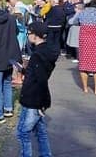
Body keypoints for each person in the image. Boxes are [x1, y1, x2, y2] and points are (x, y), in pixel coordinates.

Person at [17, 21, 56, 157]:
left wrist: (42, 103)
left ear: (35, 36)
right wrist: (25, 71)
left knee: (23, 132)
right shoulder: (46, 52)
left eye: (29, 33)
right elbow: (40, 74)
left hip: (32, 98)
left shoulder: (37, 55)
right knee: (40, 131)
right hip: (37, 98)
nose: (27, 35)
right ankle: (46, 154)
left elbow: (40, 80)